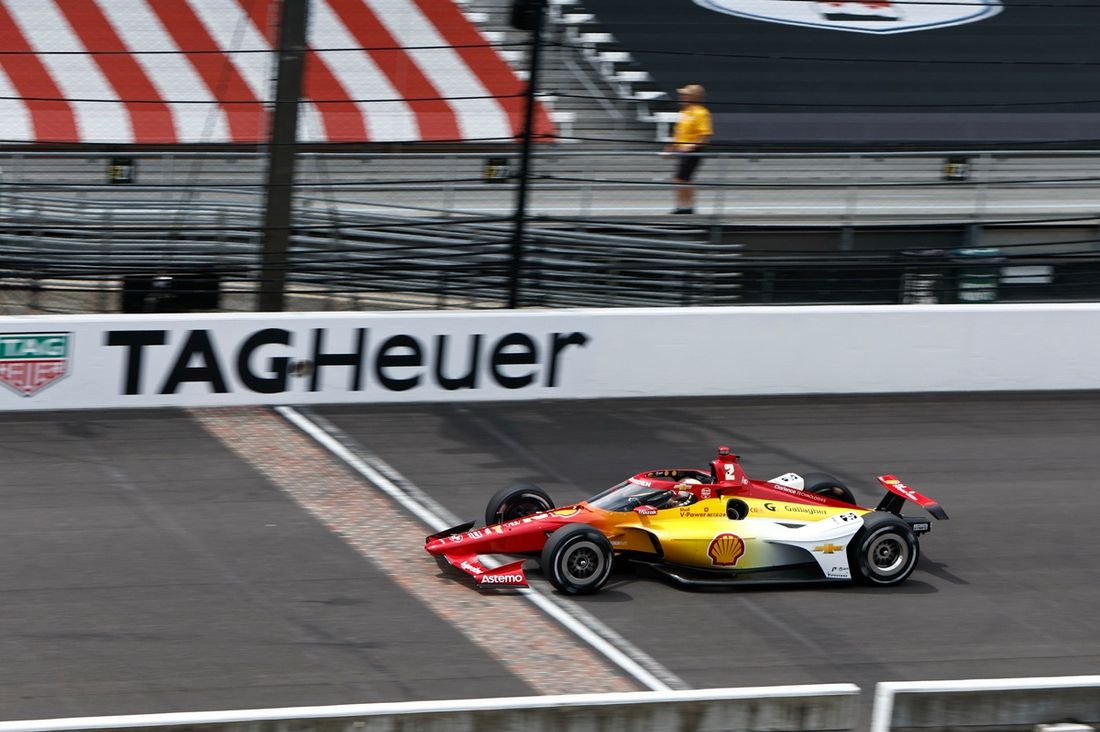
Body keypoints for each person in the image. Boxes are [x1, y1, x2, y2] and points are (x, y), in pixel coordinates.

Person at [665, 84, 712, 215]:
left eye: (684, 94)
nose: (681, 96)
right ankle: (686, 206)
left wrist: (692, 146)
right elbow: (679, 132)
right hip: (683, 149)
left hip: (693, 151)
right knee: (684, 179)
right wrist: (671, 146)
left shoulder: (701, 113)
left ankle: (684, 206)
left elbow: (704, 134)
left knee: (680, 179)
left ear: (692, 97)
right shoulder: (685, 112)